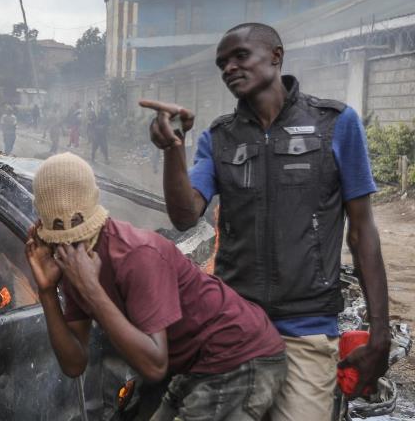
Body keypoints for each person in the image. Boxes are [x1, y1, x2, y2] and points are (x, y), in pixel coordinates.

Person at [140, 22, 390, 421]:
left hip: (307, 329)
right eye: (222, 63)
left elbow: (363, 234)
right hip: (235, 328)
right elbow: (186, 215)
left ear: (276, 55)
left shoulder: (336, 124)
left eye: (240, 56)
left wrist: (381, 332)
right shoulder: (219, 138)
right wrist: (174, 150)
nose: (229, 68)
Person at [25, 153, 287, 420]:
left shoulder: (136, 255)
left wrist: (92, 291)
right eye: (59, 234)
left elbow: (154, 366)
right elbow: (74, 364)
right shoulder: (71, 262)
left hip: (240, 355)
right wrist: (47, 292)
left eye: (79, 230)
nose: (70, 243)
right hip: (195, 365)